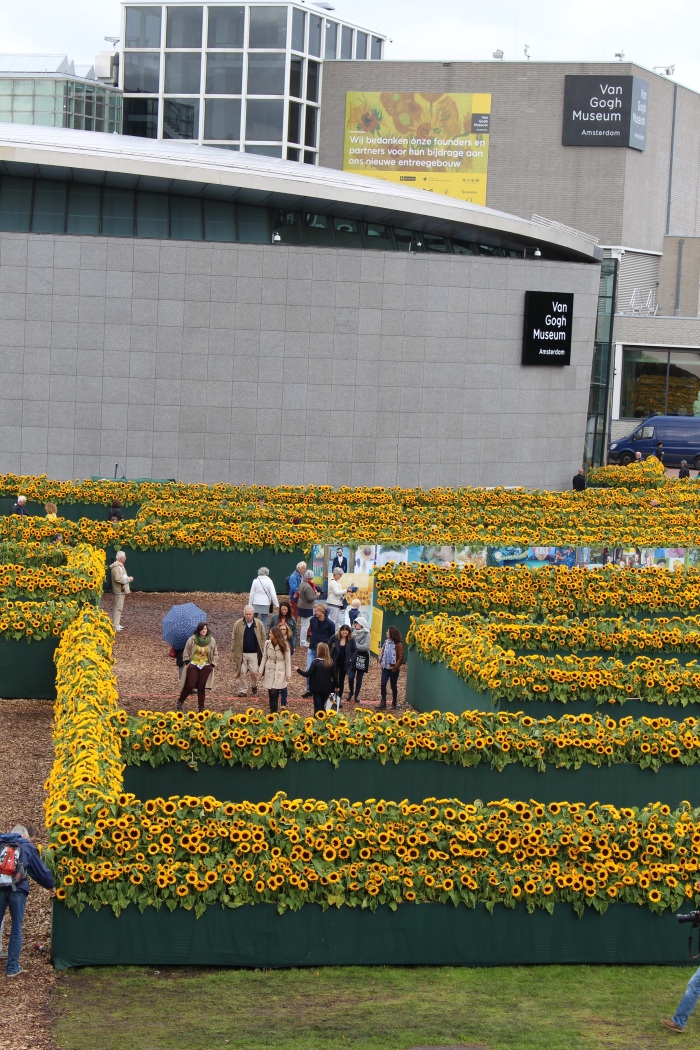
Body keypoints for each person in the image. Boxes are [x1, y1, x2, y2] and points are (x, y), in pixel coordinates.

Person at [0, 824, 56, 978]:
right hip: (17, 890)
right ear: (24, 836)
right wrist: (50, 885)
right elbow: (39, 871)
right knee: (16, 927)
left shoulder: (2, 843)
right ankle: (12, 967)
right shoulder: (26, 847)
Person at [177, 623, 218, 712]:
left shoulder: (211, 640)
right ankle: (180, 701)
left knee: (201, 686)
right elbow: (186, 651)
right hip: (194, 664)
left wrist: (212, 664)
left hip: (206, 665)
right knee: (190, 685)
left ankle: (201, 707)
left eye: (206, 629)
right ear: (199, 630)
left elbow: (215, 652)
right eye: (202, 629)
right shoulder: (192, 639)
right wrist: (188, 662)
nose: (204, 631)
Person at [231, 606, 266, 698]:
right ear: (244, 614)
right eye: (246, 614)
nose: (248, 616)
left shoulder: (259, 624)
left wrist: (262, 647)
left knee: (254, 671)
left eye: (250, 614)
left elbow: (263, 636)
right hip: (241, 652)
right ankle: (243, 690)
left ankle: (254, 685)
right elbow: (233, 636)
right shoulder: (238, 624)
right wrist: (233, 648)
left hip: (254, 652)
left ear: (253, 614)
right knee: (242, 671)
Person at [296, 642, 337, 715]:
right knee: (323, 705)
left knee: (318, 707)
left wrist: (298, 670)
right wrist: (337, 686)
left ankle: (317, 721)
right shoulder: (330, 663)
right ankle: (324, 720)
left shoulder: (315, 662)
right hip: (327, 688)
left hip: (316, 688)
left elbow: (307, 674)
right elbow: (335, 677)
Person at [303, 603, 335, 696]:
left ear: (322, 612)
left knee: (323, 671)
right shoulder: (313, 620)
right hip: (312, 648)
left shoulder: (330, 624)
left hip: (323, 651)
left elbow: (331, 638)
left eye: (316, 611)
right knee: (309, 668)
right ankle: (309, 689)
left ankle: (322, 689)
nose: (315, 612)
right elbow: (313, 632)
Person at [258, 626, 292, 713]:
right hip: (270, 669)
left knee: (275, 691)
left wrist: (288, 674)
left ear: (275, 635)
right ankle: (272, 710)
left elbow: (288, 660)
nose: (269, 635)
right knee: (270, 691)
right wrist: (261, 671)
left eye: (271, 633)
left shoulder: (285, 644)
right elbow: (264, 657)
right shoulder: (267, 643)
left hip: (279, 669)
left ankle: (274, 711)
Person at [378, 626, 404, 710]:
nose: (386, 633)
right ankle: (383, 702)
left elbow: (400, 658)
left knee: (393, 686)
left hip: (393, 669)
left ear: (391, 634)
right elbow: (383, 652)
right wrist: (381, 661)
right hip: (385, 668)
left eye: (388, 632)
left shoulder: (398, 644)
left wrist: (395, 668)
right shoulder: (386, 642)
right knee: (383, 684)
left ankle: (394, 702)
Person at [329, 623, 357, 702]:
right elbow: (328, 646)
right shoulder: (334, 637)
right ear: (340, 631)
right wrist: (330, 657)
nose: (344, 634)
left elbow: (354, 650)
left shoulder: (351, 639)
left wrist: (351, 659)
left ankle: (339, 699)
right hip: (335, 661)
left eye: (346, 633)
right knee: (334, 680)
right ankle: (332, 699)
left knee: (341, 680)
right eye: (343, 633)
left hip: (345, 662)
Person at [348, 616, 370, 703]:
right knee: (350, 676)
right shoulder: (352, 633)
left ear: (361, 625)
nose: (355, 624)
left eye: (357, 623)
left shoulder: (367, 634)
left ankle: (356, 695)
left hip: (362, 658)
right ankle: (351, 692)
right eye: (355, 623)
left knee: (359, 678)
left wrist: (355, 646)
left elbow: (365, 647)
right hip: (353, 657)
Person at [109, 551, 133, 632]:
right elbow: (118, 579)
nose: (125, 558)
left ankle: (117, 623)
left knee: (119, 607)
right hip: (119, 590)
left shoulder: (120, 566)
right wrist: (128, 579)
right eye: (125, 557)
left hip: (121, 590)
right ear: (121, 558)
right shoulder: (116, 567)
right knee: (118, 607)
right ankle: (115, 625)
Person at [298, 569, 320, 647]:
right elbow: (310, 598)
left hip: (301, 606)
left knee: (304, 624)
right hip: (306, 607)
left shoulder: (302, 583)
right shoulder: (307, 586)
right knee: (305, 625)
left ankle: (302, 640)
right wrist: (317, 595)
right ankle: (303, 641)